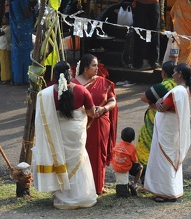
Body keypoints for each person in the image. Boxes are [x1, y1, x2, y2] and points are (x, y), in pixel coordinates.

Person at [32, 61, 98, 209]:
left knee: (60, 160)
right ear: (71, 73)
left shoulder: (45, 94)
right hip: (75, 133)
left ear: (55, 75)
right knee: (79, 161)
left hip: (56, 133)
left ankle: (63, 197)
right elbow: (91, 112)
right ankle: (82, 196)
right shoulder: (81, 91)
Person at [142, 63, 191, 202]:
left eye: (175, 72)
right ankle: (171, 190)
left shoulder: (178, 91)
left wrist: (158, 102)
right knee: (170, 158)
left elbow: (163, 108)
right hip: (172, 129)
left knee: (163, 159)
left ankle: (163, 192)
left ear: (180, 74)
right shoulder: (184, 89)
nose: (173, 75)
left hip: (168, 130)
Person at [72, 54, 118, 195]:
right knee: (81, 154)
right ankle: (82, 187)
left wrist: (104, 108)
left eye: (97, 65)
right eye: (94, 65)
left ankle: (98, 187)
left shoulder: (103, 82)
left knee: (99, 155)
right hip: (82, 124)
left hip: (101, 123)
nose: (97, 68)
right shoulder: (73, 84)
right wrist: (88, 111)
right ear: (85, 68)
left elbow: (112, 101)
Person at [135, 61, 177, 186]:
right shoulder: (179, 87)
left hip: (156, 121)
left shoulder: (162, 86)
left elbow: (144, 97)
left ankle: (149, 180)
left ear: (164, 73)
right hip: (171, 124)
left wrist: (152, 104)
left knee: (147, 148)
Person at [132, 0, 163, 70]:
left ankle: (137, 62)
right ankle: (154, 61)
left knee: (139, 32)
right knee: (154, 32)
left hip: (140, 2)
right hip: (154, 3)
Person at [9, 0, 35, 85]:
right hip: (24, 29)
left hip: (16, 27)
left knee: (17, 53)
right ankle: (25, 77)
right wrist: (33, 7)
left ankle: (17, 77)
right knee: (25, 53)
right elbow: (27, 13)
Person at [112, 127, 143, 197]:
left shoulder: (118, 145)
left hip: (116, 167)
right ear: (133, 138)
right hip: (125, 168)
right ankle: (134, 184)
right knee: (140, 167)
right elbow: (135, 161)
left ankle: (128, 183)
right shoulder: (132, 148)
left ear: (121, 136)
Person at [0, 12, 12, 84]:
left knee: (5, 63)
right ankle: (3, 77)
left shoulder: (8, 28)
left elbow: (0, 33)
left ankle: (6, 78)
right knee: (2, 63)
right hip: (1, 47)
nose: (3, 20)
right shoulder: (4, 27)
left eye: (5, 18)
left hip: (5, 47)